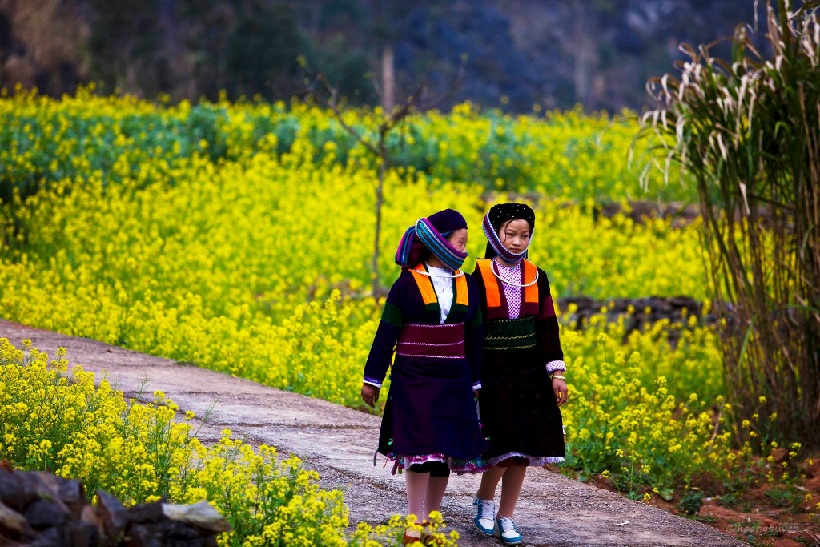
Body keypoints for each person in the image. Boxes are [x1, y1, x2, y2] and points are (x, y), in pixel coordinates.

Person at [361, 208, 487, 544]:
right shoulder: (407, 283)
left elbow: (474, 336)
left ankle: (432, 520)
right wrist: (372, 378)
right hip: (414, 378)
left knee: (443, 454)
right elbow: (387, 331)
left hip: (454, 378)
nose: (464, 249)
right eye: (460, 242)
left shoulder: (468, 284)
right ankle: (413, 522)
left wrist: (476, 381)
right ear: (439, 243)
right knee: (420, 452)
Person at [471, 202, 568, 546]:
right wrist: (474, 377)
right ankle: (484, 501)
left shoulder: (537, 275)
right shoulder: (478, 276)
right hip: (494, 371)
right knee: (503, 445)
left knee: (523, 451)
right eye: (509, 234)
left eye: (524, 235)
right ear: (494, 234)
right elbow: (472, 328)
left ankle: (506, 515)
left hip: (529, 372)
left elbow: (547, 325)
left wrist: (556, 372)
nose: (516, 241)